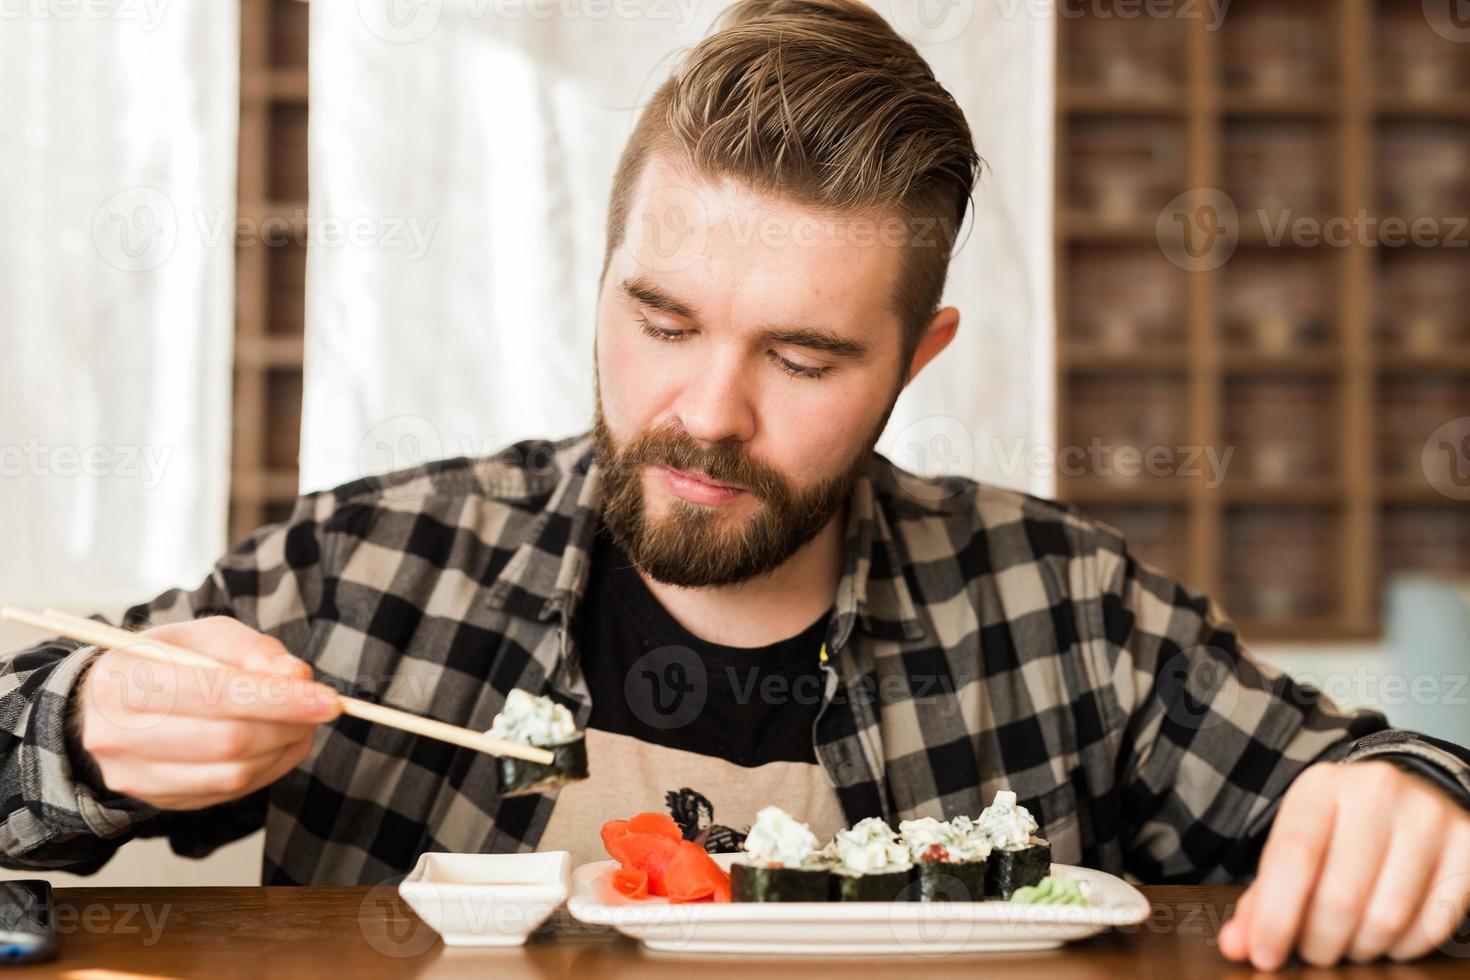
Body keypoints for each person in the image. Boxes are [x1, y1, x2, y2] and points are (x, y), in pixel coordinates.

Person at [3, 0, 1468, 970]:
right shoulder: (371, 565)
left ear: (916, 356)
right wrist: (79, 728)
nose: (704, 412)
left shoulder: (1063, 605)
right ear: (602, 284)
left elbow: (1376, 785)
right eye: (659, 322)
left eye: (807, 356)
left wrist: (1409, 799)